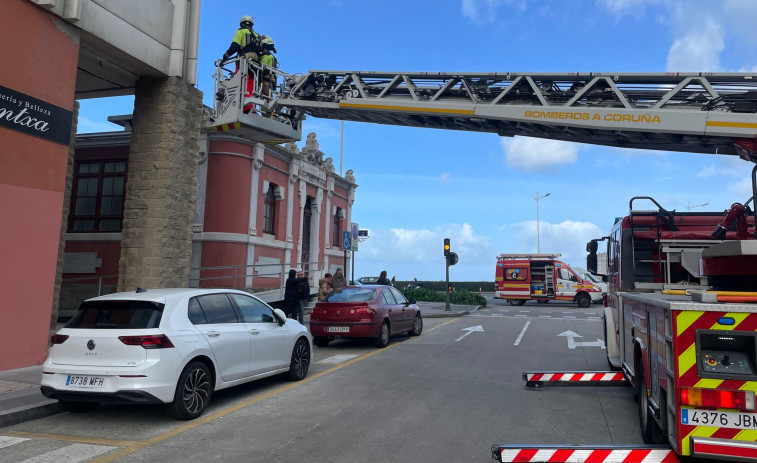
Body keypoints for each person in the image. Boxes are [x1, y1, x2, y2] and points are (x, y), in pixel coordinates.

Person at [220, 15, 261, 113]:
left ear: (242, 23)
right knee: (251, 84)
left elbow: (235, 46)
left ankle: (244, 106)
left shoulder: (241, 31)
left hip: (244, 59)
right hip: (255, 62)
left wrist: (224, 57)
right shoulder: (257, 36)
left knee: (241, 81)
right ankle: (251, 106)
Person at [259, 35, 278, 102]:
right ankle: (268, 112)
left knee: (265, 98)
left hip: (265, 80)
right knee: (267, 97)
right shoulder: (271, 56)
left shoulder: (266, 56)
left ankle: (267, 112)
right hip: (270, 80)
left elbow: (263, 68)